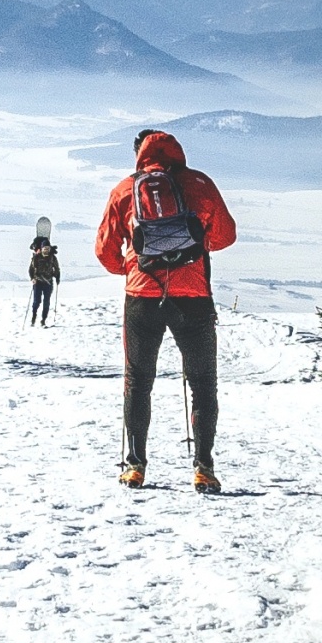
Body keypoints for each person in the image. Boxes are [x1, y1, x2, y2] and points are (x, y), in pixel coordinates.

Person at [95, 127, 236, 493]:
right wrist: (191, 246)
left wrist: (136, 264)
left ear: (137, 153)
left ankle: (135, 467)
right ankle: (204, 469)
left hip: (142, 297)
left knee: (138, 382)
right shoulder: (200, 184)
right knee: (203, 384)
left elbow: (106, 251)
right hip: (193, 297)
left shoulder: (126, 190)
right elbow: (225, 235)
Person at [29, 228, 60, 326]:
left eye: (48, 249)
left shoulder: (52, 258)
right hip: (38, 282)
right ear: (41, 249)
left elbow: (57, 268)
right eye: (45, 249)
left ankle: (43, 320)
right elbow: (31, 269)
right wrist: (32, 278)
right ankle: (34, 316)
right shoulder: (36, 258)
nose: (46, 250)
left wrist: (57, 277)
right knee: (37, 302)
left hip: (48, 282)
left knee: (46, 302)